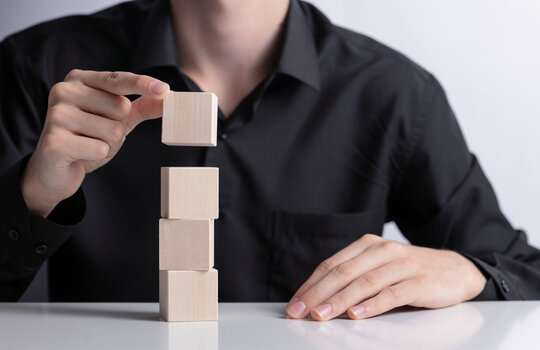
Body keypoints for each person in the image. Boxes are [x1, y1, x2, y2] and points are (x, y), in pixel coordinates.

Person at [0, 0, 538, 321]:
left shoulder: (394, 94)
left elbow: (525, 274)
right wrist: (35, 195)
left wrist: (467, 270)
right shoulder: (38, 70)